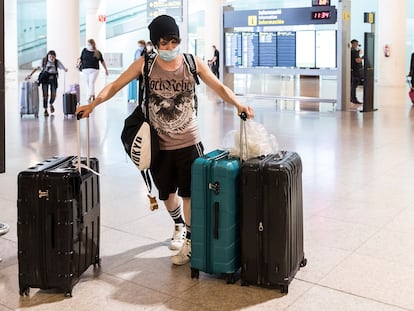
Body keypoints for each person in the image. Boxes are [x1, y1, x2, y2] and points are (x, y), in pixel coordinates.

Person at [76, 14, 254, 266]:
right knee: (167, 194)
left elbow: (219, 87)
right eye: (164, 43)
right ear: (155, 43)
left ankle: (190, 241)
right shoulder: (145, 65)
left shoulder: (192, 63)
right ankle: (179, 224)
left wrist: (239, 104)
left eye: (174, 41)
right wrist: (93, 104)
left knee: (190, 194)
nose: (170, 48)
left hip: (189, 141)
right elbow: (115, 86)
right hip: (158, 144)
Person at [26, 50, 68, 116]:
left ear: (55, 57)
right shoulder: (44, 61)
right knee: (45, 95)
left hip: (53, 79)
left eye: (53, 57)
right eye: (50, 57)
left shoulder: (56, 62)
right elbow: (37, 68)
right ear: (48, 56)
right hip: (45, 79)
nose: (51, 58)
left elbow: (62, 67)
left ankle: (51, 103)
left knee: (53, 94)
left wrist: (65, 69)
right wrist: (30, 75)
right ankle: (45, 109)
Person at [77, 38, 109, 103]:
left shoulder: (97, 52)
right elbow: (81, 58)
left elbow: (102, 61)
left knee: (91, 82)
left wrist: (106, 69)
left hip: (94, 70)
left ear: (93, 45)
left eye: (90, 44)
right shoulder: (84, 50)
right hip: (85, 70)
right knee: (88, 83)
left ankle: (89, 96)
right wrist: (77, 65)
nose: (88, 46)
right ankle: (93, 95)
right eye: (88, 44)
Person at [350, 39, 363, 104]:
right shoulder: (354, 52)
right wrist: (362, 58)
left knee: (353, 85)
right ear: (352, 44)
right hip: (355, 71)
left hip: (353, 70)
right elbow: (358, 60)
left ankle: (351, 98)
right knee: (354, 85)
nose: (356, 45)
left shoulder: (353, 51)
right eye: (356, 44)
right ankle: (353, 98)